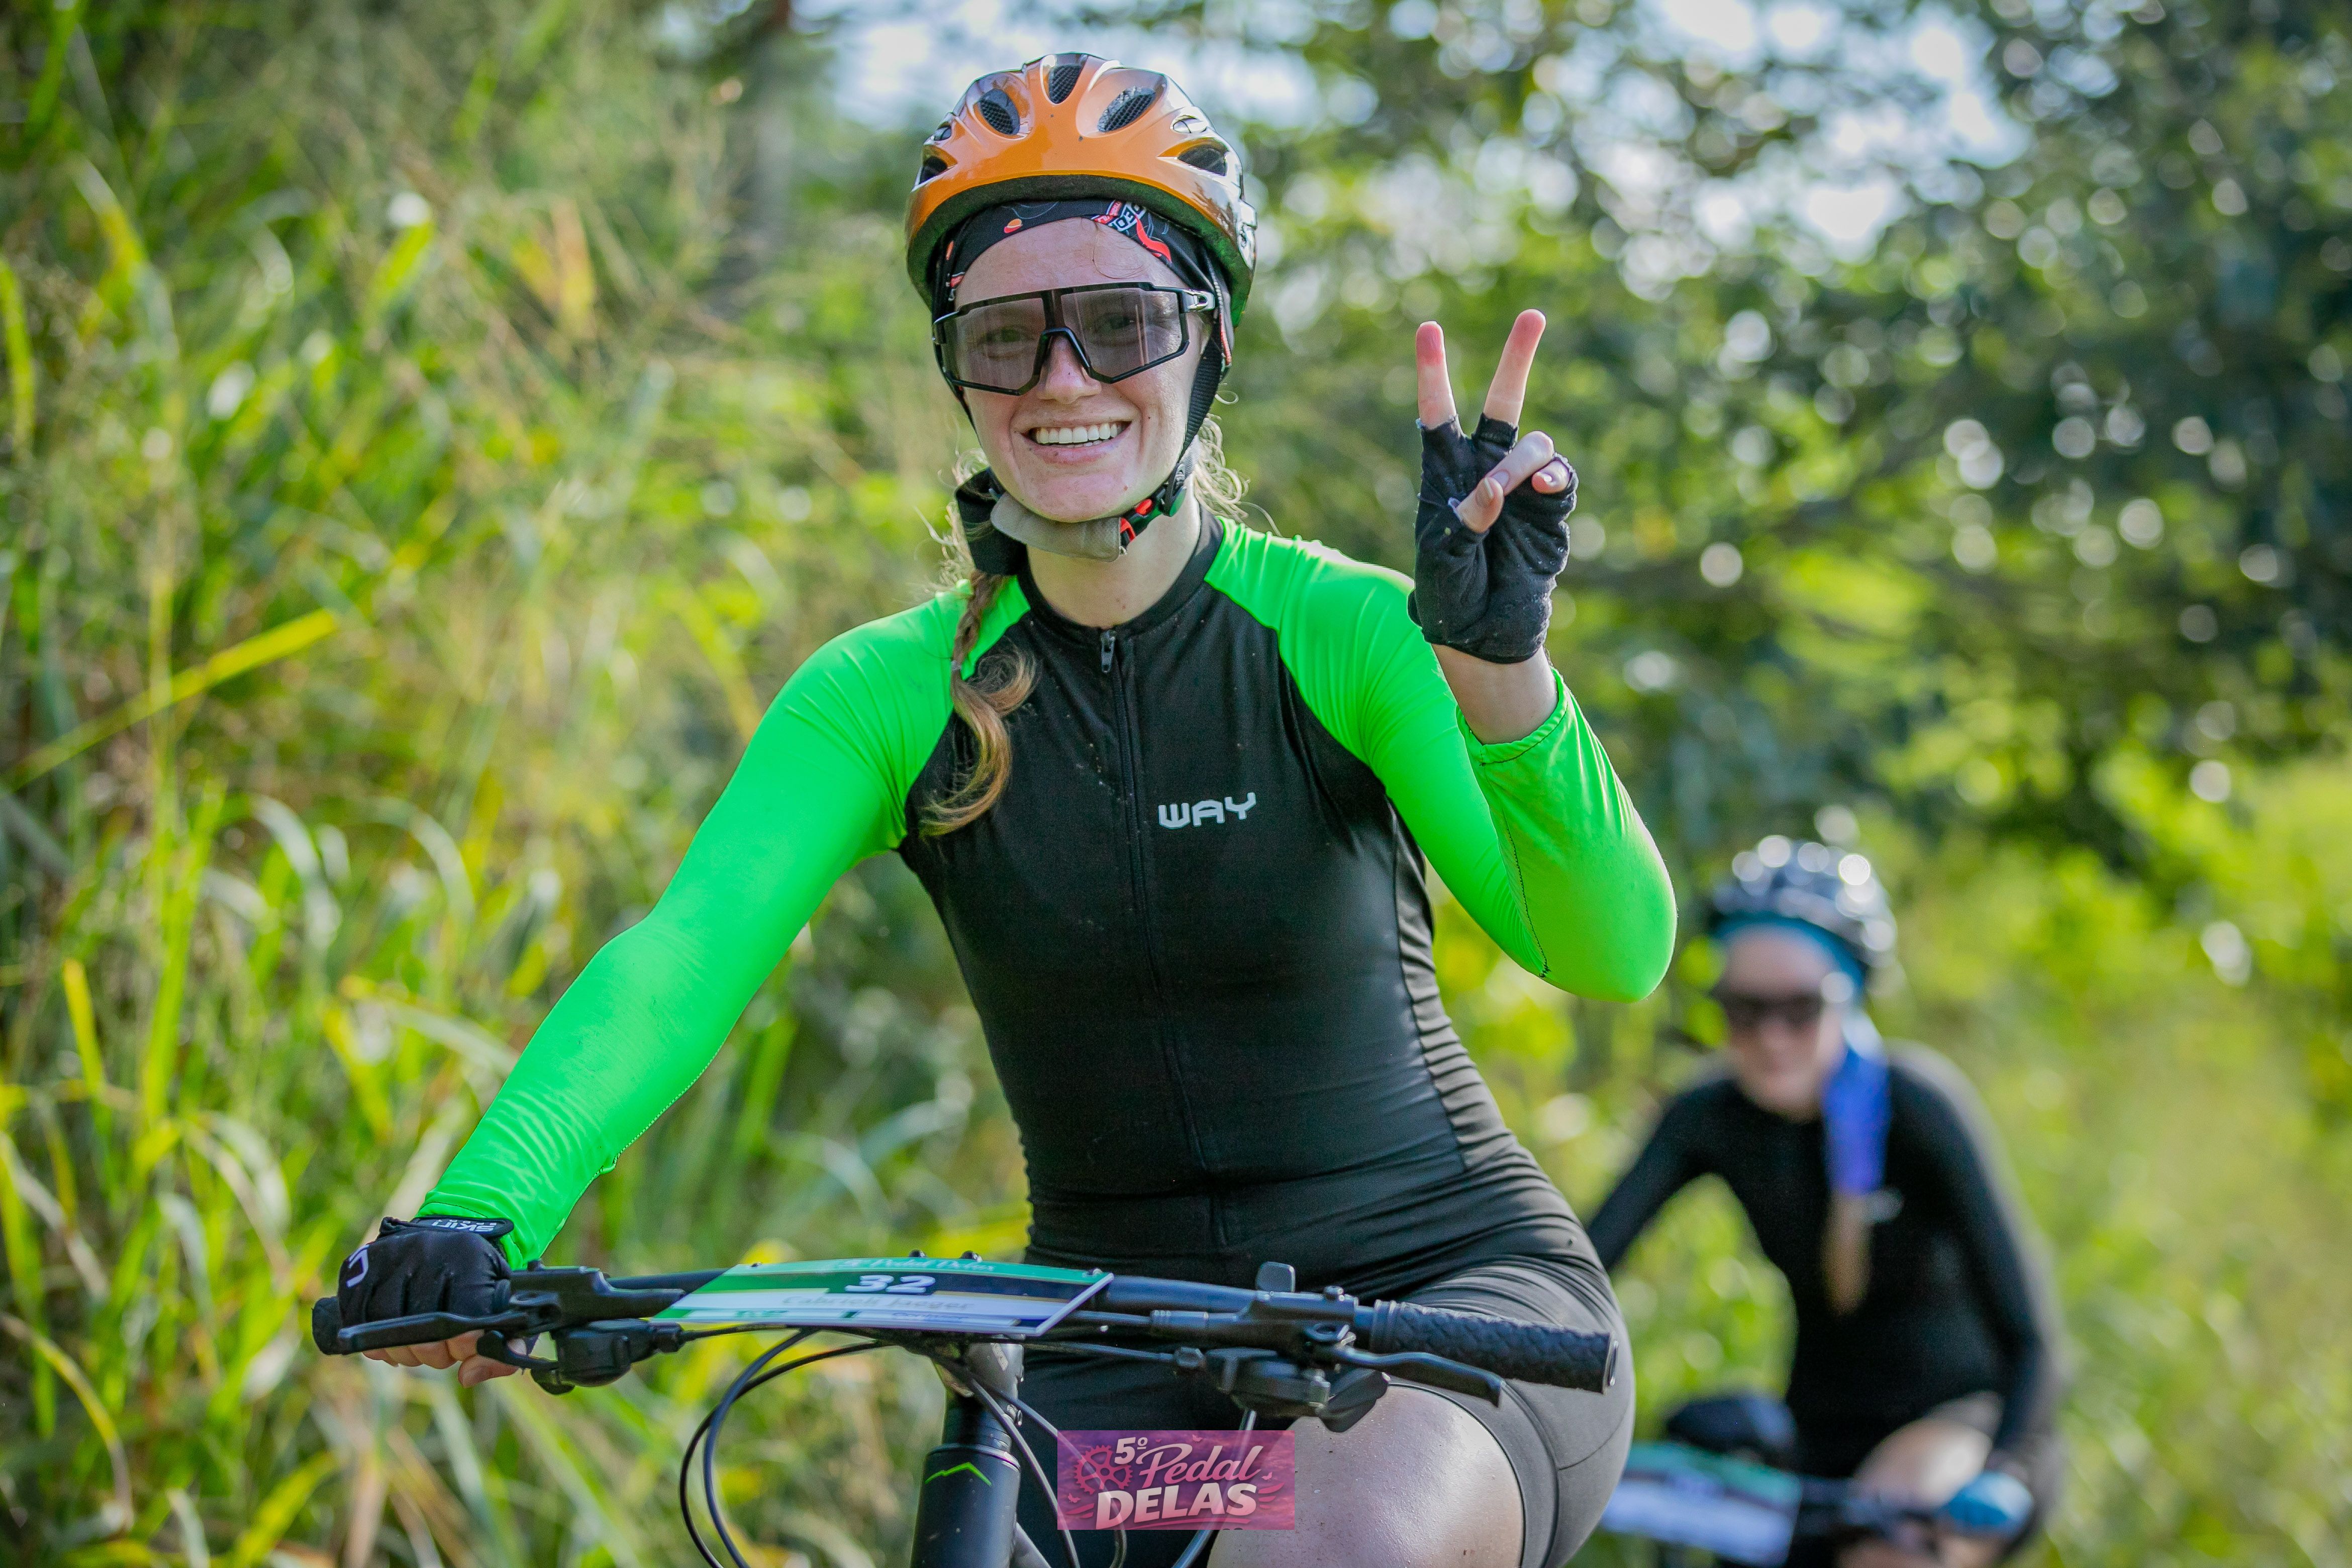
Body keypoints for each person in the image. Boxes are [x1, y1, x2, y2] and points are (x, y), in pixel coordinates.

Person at [330, 53, 1677, 1568]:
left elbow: (1611, 951)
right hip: (1114, 1347)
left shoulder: (1346, 631)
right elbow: (685, 953)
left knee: (1321, 1544)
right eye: (1004, 336)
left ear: (1211, 341)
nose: (1063, 379)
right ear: (957, 371)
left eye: (1121, 323)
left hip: (1446, 1314)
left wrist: (1502, 673)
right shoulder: (888, 694)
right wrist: (483, 1212)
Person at [1587, 838, 2065, 1568]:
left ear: (1850, 997)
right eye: (1744, 1011)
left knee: (1889, 1544)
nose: (1771, 1038)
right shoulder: (1708, 1116)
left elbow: (2033, 1339)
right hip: (1816, 1430)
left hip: (1964, 1424)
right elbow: (1582, 1267)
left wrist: (2009, 1470)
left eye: (1800, 1010)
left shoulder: (1919, 1107)